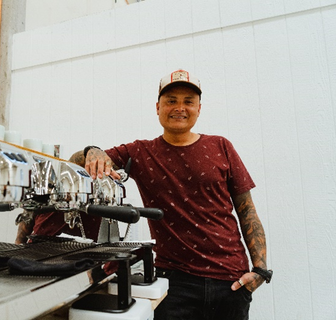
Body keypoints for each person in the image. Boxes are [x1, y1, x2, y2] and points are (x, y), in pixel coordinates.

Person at [70, 69, 272, 319]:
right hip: (174, 284)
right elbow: (79, 162)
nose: (180, 108)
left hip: (230, 282)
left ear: (199, 108)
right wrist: (93, 151)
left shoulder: (221, 146)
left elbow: (247, 210)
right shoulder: (141, 152)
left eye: (188, 101)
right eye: (171, 101)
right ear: (158, 107)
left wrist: (260, 270)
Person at [15, 153, 102, 244]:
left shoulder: (95, 201)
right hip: (37, 246)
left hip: (78, 252)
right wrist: (18, 245)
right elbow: (28, 216)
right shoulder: (50, 189)